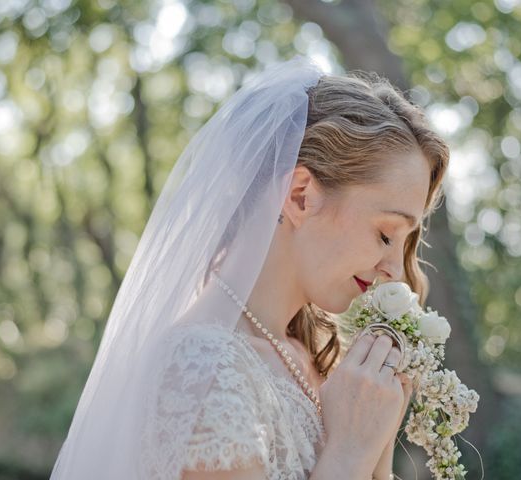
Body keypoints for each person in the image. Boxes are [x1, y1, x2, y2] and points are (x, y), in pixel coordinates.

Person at [49, 55, 449, 480]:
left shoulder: (310, 358)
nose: (395, 270)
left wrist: (377, 451)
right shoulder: (202, 370)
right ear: (300, 196)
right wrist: (350, 452)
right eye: (387, 234)